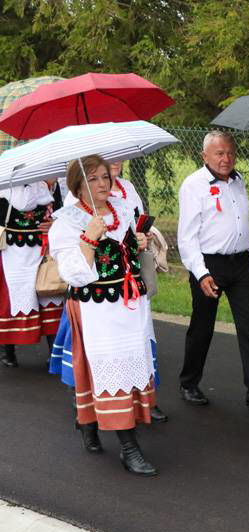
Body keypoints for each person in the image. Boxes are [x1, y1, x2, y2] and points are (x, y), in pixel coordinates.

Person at [48, 155, 158, 476]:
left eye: (105, 178)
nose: (102, 184)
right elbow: (73, 273)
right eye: (93, 179)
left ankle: (88, 421)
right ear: (79, 186)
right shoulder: (66, 223)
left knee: (126, 368)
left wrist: (136, 243)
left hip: (128, 306)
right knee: (109, 371)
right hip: (96, 309)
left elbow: (125, 257)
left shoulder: (121, 211)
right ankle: (128, 447)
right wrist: (88, 238)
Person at [177, 130, 249, 411]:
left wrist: (248, 260)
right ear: (205, 156)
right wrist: (200, 273)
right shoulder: (193, 185)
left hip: (240, 266)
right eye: (219, 153)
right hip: (209, 265)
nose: (226, 159)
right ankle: (189, 382)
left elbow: (239, 225)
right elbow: (187, 237)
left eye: (229, 153)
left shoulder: (239, 181)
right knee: (202, 327)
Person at [0, 181, 64, 367]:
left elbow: (60, 208)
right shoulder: (6, 178)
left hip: (43, 245)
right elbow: (22, 202)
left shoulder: (51, 181)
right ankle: (7, 349)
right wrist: (45, 185)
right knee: (11, 298)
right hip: (11, 248)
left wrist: (55, 223)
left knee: (51, 293)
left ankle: (56, 351)